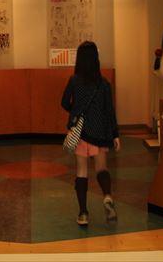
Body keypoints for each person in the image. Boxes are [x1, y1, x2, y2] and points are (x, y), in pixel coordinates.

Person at [61, 41, 120, 226]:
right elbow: (109, 111)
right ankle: (107, 196)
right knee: (102, 169)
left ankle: (83, 214)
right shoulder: (104, 84)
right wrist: (115, 135)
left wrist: (75, 112)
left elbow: (64, 102)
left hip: (81, 133)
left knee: (82, 172)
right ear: (96, 59)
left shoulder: (74, 81)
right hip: (100, 133)